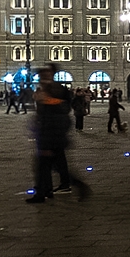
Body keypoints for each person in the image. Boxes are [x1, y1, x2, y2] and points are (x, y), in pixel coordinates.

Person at [29, 68, 89, 202]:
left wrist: (49, 139)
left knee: (49, 167)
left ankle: (75, 185)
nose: (40, 81)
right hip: (49, 137)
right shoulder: (49, 96)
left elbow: (56, 119)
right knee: (48, 166)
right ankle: (45, 191)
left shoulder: (53, 97)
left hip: (51, 138)